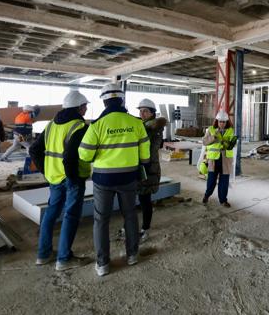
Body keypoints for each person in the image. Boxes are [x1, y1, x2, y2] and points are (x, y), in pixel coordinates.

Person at [78, 83, 150, 277]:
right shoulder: (136, 123)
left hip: (104, 180)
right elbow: (145, 156)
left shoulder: (97, 125)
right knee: (130, 216)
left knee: (101, 220)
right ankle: (132, 255)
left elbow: (84, 154)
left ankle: (103, 264)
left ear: (104, 101)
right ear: (122, 100)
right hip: (129, 178)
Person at [30, 91, 91, 271]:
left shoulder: (51, 125)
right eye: (85, 106)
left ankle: (43, 254)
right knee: (71, 215)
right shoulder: (79, 126)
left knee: (51, 213)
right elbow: (71, 157)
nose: (86, 109)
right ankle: (64, 259)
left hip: (54, 177)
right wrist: (74, 179)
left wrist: (46, 170)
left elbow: (34, 150)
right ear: (79, 107)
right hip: (71, 178)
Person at [134, 98, 167, 242]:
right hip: (140, 166)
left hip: (148, 169)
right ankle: (130, 226)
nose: (142, 114)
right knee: (137, 198)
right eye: (140, 111)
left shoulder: (152, 129)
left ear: (152, 113)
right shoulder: (145, 126)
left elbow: (149, 148)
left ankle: (145, 229)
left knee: (145, 199)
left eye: (145, 111)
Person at [202, 110, 236, 207]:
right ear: (217, 121)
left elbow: (233, 143)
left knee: (224, 182)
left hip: (225, 160)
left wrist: (232, 143)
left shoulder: (230, 130)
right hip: (213, 160)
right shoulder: (210, 130)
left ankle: (223, 200)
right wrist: (213, 137)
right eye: (220, 121)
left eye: (224, 122)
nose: (222, 124)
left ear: (227, 122)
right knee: (211, 181)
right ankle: (207, 195)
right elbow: (204, 142)